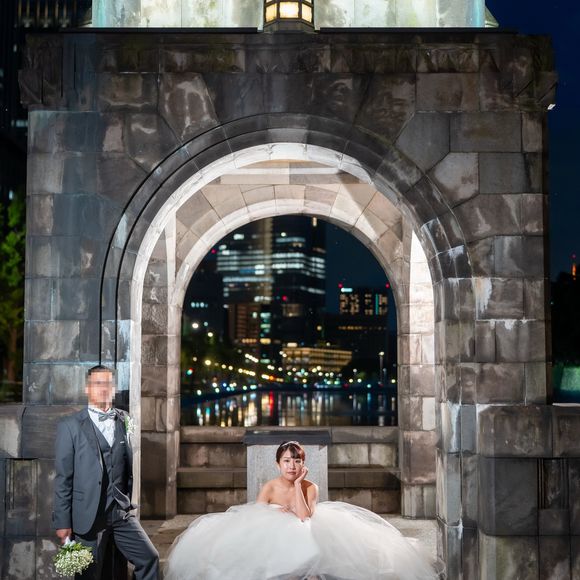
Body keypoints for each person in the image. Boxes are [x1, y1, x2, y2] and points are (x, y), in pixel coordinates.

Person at [165, 441, 436, 580]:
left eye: (296, 461)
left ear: (303, 464)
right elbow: (255, 515)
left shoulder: (309, 486)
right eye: (286, 461)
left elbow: (306, 516)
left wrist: (297, 486)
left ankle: (308, 572)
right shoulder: (270, 486)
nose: (291, 466)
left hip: (305, 525)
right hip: (273, 530)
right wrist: (275, 512)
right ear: (278, 464)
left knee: (302, 528)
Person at [53, 364, 159, 579]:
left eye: (108, 384)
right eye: (98, 383)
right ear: (87, 389)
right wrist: (63, 522)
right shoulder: (70, 426)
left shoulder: (124, 419)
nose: (103, 388)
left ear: (113, 388)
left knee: (149, 558)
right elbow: (63, 479)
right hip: (88, 516)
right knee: (89, 574)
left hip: (120, 512)